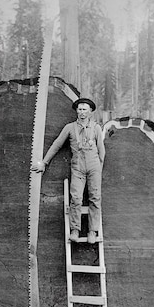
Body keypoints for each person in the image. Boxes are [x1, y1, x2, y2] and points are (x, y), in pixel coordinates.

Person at [32, 97, 105, 244]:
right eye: (79, 109)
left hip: (94, 166)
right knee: (76, 198)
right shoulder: (70, 128)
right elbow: (56, 145)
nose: (82, 112)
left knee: (95, 198)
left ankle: (92, 231)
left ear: (90, 112)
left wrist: (98, 170)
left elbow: (102, 151)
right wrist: (44, 163)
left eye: (85, 109)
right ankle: (75, 230)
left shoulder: (96, 128)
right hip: (77, 167)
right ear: (76, 111)